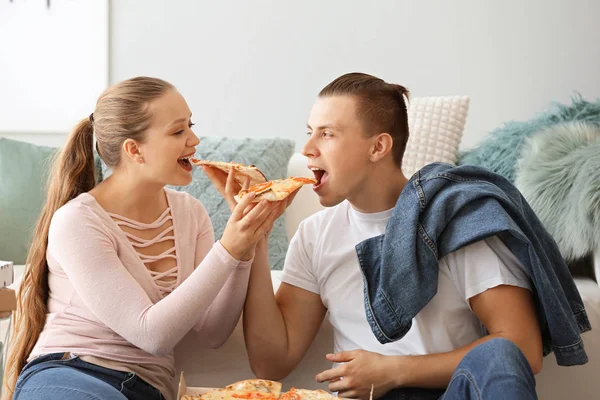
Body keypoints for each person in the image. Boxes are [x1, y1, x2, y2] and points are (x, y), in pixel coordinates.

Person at [233, 73, 589, 400]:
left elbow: (520, 347)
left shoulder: (455, 217)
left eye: (327, 133)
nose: (308, 147)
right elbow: (271, 363)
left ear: (378, 147)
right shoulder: (315, 235)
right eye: (310, 130)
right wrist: (256, 239)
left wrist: (393, 371)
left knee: (497, 355)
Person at [3, 77, 284, 400]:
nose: (194, 139)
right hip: (73, 374)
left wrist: (244, 247)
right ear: (134, 150)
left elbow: (214, 332)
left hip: (148, 390)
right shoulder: (78, 221)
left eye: (190, 126)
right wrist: (228, 248)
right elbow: (151, 334)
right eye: (178, 131)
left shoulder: (190, 214)